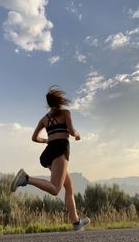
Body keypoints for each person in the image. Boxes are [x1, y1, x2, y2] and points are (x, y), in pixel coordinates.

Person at [11, 86, 90, 231]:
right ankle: (26, 179)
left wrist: (46, 141)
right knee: (55, 189)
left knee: (69, 187)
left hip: (49, 152)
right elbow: (72, 132)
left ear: (48, 104)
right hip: (60, 149)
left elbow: (34, 138)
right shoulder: (66, 113)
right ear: (60, 101)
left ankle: (76, 223)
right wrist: (78, 134)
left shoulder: (44, 119)